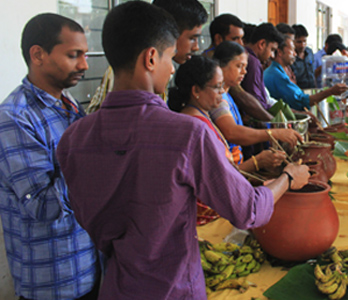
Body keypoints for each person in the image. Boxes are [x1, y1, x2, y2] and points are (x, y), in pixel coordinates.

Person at [56, 2, 310, 299]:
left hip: (117, 285)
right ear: (151, 58)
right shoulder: (188, 133)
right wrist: (288, 179)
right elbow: (248, 211)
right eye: (168, 58)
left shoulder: (73, 139)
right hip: (173, 287)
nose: (172, 69)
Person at [0, 13, 100, 300]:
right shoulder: (15, 118)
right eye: (73, 55)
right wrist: (92, 154)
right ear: (38, 55)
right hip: (53, 281)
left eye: (84, 55)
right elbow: (43, 206)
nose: (84, 65)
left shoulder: (67, 104)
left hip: (86, 264)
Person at [86, 0, 208, 113]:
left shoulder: (162, 72)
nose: (196, 47)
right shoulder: (129, 73)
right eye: (192, 38)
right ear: (169, 31)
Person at [208, 41, 302, 164]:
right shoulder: (218, 98)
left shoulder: (228, 95)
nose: (244, 72)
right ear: (221, 66)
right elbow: (231, 132)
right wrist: (275, 133)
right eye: (238, 66)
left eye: (245, 67)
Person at [264, 36, 348, 111]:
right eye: (292, 50)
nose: (295, 54)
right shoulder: (276, 75)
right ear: (280, 52)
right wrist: (330, 91)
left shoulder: (281, 70)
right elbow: (301, 100)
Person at [241, 22, 284, 110]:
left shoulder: (248, 56)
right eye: (272, 50)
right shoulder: (253, 62)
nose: (272, 55)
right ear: (262, 44)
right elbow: (257, 101)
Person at [291, 24, 316, 89]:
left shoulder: (309, 52)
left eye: (304, 41)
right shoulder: (290, 56)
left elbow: (313, 73)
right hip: (298, 91)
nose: (302, 45)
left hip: (311, 89)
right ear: (292, 41)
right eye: (299, 42)